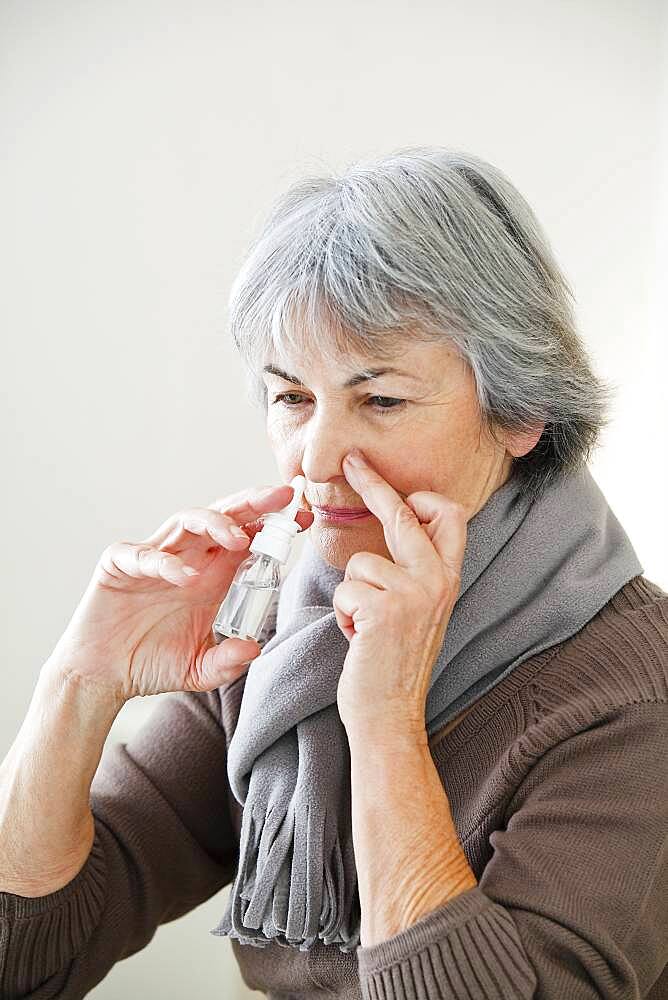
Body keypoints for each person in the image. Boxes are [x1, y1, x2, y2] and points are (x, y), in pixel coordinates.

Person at [1, 146, 666, 1000]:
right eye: (291, 397)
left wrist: (385, 723)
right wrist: (80, 681)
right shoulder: (283, 629)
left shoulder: (633, 699)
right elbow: (28, 958)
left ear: (522, 411)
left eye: (379, 401)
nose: (316, 456)